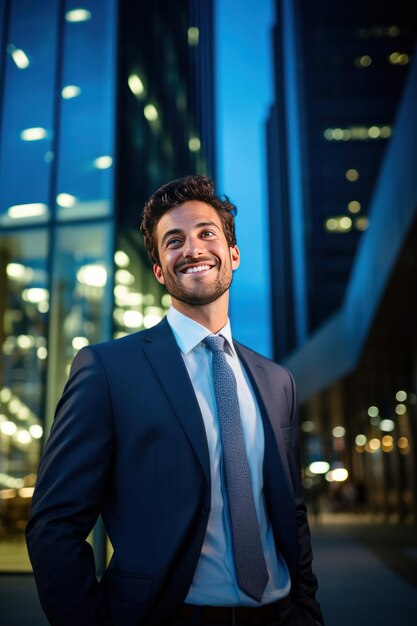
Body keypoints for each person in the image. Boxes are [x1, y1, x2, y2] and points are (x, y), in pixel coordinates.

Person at [26, 175, 324, 626]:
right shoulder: (107, 371)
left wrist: (307, 611)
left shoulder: (276, 380)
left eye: (207, 233)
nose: (194, 249)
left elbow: (291, 511)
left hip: (281, 615)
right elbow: (54, 524)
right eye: (174, 241)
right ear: (161, 270)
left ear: (233, 254)